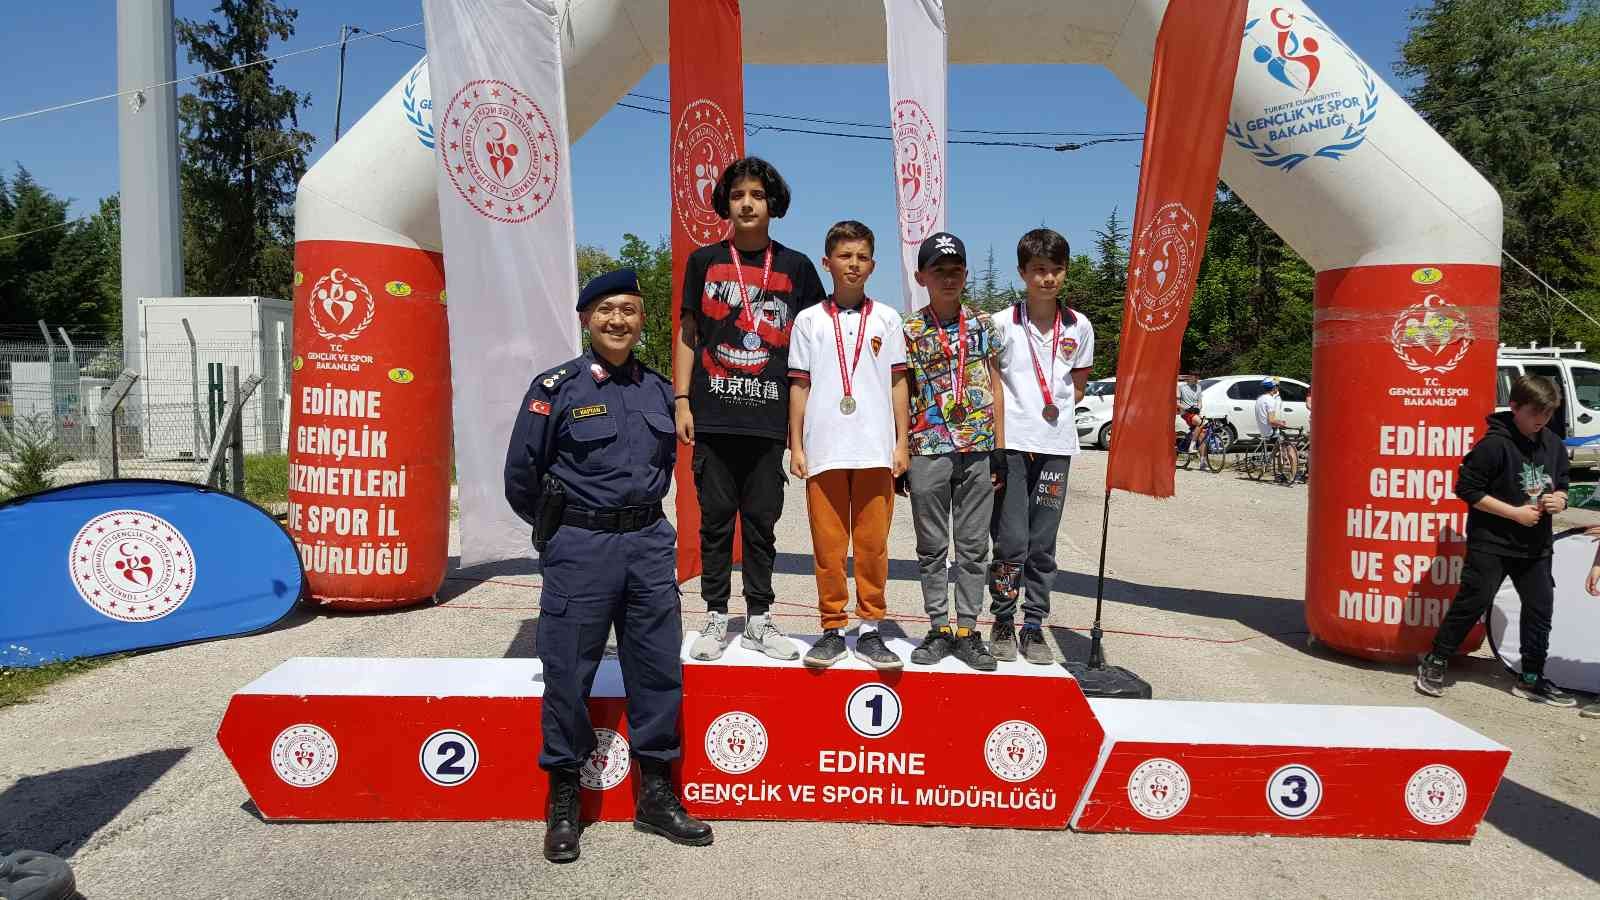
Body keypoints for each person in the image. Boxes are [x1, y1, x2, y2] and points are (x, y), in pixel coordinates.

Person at [504, 269, 713, 863]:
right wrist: (560, 533)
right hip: (581, 548)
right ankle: (564, 801)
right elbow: (521, 474)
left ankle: (656, 797)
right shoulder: (556, 388)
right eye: (605, 310)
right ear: (586, 319)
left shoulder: (660, 391)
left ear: (642, 319)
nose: (617, 320)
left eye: (628, 310)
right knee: (567, 672)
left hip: (648, 544)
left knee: (656, 671)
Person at [675, 157, 826, 662]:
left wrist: (805, 422)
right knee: (716, 522)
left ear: (772, 203)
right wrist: (681, 399)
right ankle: (716, 615)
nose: (746, 203)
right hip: (713, 414)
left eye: (757, 195)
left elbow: (814, 346)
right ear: (726, 202)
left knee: (761, 524)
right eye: (738, 194)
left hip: (768, 420)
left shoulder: (797, 268)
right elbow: (689, 334)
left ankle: (759, 617)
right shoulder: (703, 262)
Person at [788, 221, 910, 669]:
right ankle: (832, 628)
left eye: (861, 257)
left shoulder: (888, 319)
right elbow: (799, 385)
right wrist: (796, 445)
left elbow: (898, 383)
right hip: (824, 449)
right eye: (844, 256)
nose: (853, 264)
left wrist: (902, 442)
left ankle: (871, 628)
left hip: (876, 449)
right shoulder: (808, 320)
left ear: (873, 265)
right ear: (827, 262)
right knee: (829, 546)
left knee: (873, 545)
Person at [1415, 374, 1576, 708]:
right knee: (1473, 602)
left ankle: (1531, 677)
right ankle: (1436, 659)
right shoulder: (1494, 445)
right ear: (1514, 407)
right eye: (1535, 413)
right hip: (1491, 542)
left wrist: (1559, 500)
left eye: (1548, 413)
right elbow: (1467, 489)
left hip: (1535, 546)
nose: (1542, 420)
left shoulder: (1553, 443)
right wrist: (1513, 513)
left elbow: (1562, 483)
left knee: (1540, 608)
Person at [986, 228, 1094, 664]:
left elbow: (1077, 386)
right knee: (1010, 539)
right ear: (1022, 273)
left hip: (1055, 446)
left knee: (1043, 541)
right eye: (1038, 270)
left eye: (1056, 270)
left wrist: (1050, 413)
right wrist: (997, 443)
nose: (1047, 278)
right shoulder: (1000, 324)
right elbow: (992, 384)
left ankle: (1033, 624)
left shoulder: (1079, 325)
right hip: (1011, 444)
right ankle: (1002, 620)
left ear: (1065, 272)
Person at [902, 232, 1006, 671]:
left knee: (973, 546)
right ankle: (937, 627)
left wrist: (999, 447)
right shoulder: (909, 330)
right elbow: (901, 390)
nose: (948, 279)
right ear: (921, 277)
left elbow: (995, 383)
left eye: (956, 271)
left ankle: (967, 630)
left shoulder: (983, 325)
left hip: (977, 446)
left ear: (965, 275)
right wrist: (900, 448)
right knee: (931, 545)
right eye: (939, 271)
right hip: (928, 446)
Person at [1254, 377, 1299, 484]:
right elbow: (1271, 420)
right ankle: (1293, 475)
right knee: (1291, 450)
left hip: (1265, 431)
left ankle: (1279, 473)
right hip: (1272, 431)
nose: (1278, 388)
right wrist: (1281, 423)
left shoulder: (1260, 399)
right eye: (1277, 386)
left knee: (1280, 449)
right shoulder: (1270, 401)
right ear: (1274, 387)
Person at [1177, 373, 1203, 455]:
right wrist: (1187, 409)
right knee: (1200, 422)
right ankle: (1191, 446)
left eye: (1197, 378)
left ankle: (1203, 460)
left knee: (1202, 434)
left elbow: (1200, 402)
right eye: (1195, 378)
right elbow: (1177, 403)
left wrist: (1198, 408)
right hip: (1186, 412)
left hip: (1195, 412)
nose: (1197, 380)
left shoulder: (1198, 387)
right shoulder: (1181, 388)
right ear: (1189, 378)